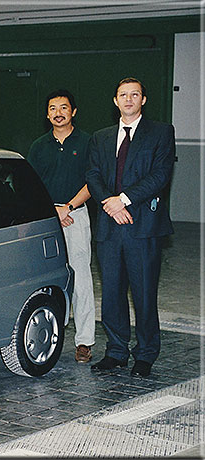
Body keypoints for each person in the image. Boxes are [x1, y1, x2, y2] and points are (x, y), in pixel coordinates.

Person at [86, 77, 175, 377]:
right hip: (110, 227)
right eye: (123, 94)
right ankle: (116, 351)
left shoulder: (161, 132)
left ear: (143, 100)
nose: (128, 99)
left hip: (143, 226)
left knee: (144, 293)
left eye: (134, 94)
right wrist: (109, 204)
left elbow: (160, 174)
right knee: (111, 293)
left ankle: (146, 354)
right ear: (115, 100)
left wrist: (122, 200)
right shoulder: (100, 137)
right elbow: (93, 175)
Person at [26, 89, 95, 363]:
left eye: (64, 108)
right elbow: (30, 184)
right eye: (53, 108)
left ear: (73, 111)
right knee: (42, 279)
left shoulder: (88, 142)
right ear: (47, 114)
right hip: (45, 216)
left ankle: (85, 341)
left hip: (75, 215)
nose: (58, 113)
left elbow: (94, 182)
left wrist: (68, 208)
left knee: (81, 278)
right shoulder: (39, 145)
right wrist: (52, 210)